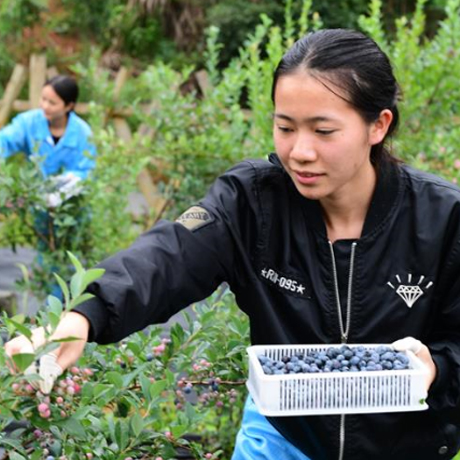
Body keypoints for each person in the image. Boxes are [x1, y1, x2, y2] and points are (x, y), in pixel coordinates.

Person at [5, 29, 460, 460]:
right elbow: (168, 255)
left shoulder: (443, 219)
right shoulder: (252, 202)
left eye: (323, 131)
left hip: (401, 444)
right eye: (285, 127)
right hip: (281, 435)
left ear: (378, 125)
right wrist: (84, 315)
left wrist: (436, 367)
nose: (300, 151)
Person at [0, 74, 96, 204]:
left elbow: (87, 172)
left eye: (52, 103)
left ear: (69, 106)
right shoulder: (29, 122)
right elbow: (5, 140)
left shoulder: (83, 134)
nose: (44, 106)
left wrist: (64, 188)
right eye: (43, 99)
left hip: (71, 208)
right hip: (36, 205)